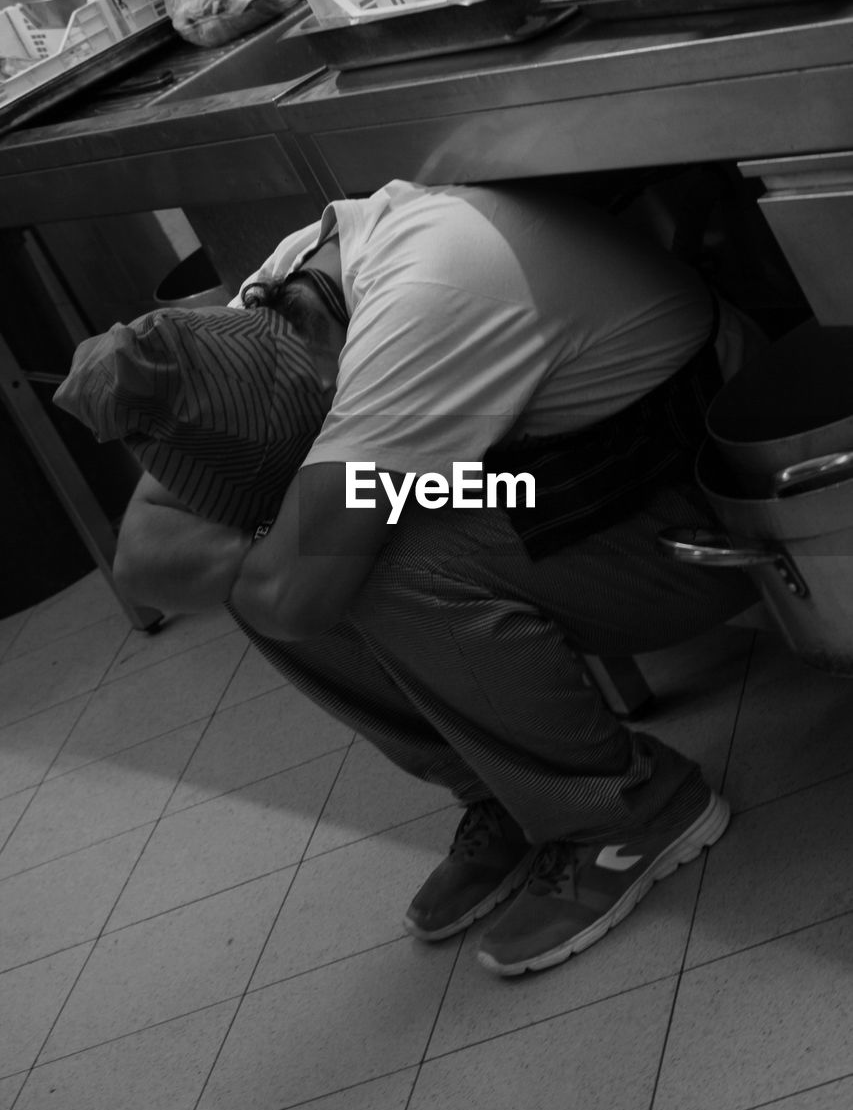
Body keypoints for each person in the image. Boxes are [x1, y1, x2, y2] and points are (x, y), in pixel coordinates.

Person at [55, 177, 761, 978]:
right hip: (557, 474)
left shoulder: (416, 307)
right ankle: (505, 788)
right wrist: (268, 528)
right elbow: (144, 559)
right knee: (287, 554)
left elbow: (289, 593)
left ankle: (632, 807)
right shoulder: (275, 297)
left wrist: (275, 535)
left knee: (358, 564)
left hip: (695, 498)